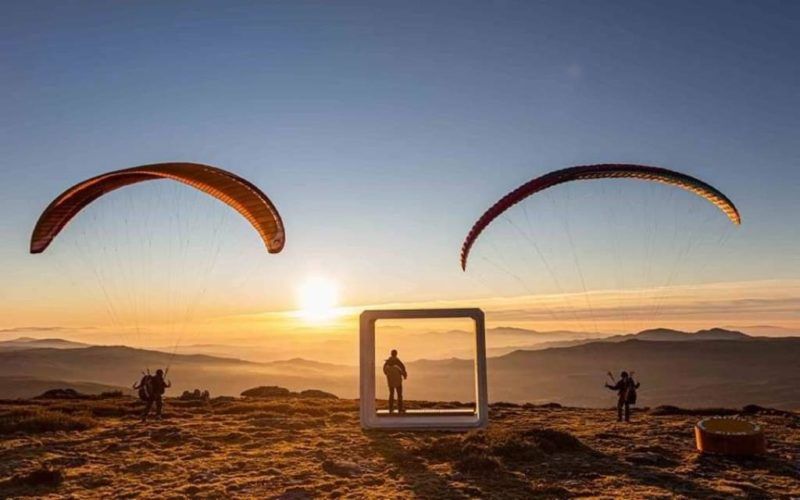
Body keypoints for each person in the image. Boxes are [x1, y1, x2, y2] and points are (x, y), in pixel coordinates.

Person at [383, 349, 407, 414]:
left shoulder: (387, 363)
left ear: (391, 353)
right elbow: (403, 370)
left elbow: (384, 371)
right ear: (396, 354)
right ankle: (400, 409)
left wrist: (389, 375)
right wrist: (404, 375)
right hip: (398, 381)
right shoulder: (398, 362)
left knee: (391, 394)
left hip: (390, 381)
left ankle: (391, 409)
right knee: (399, 395)